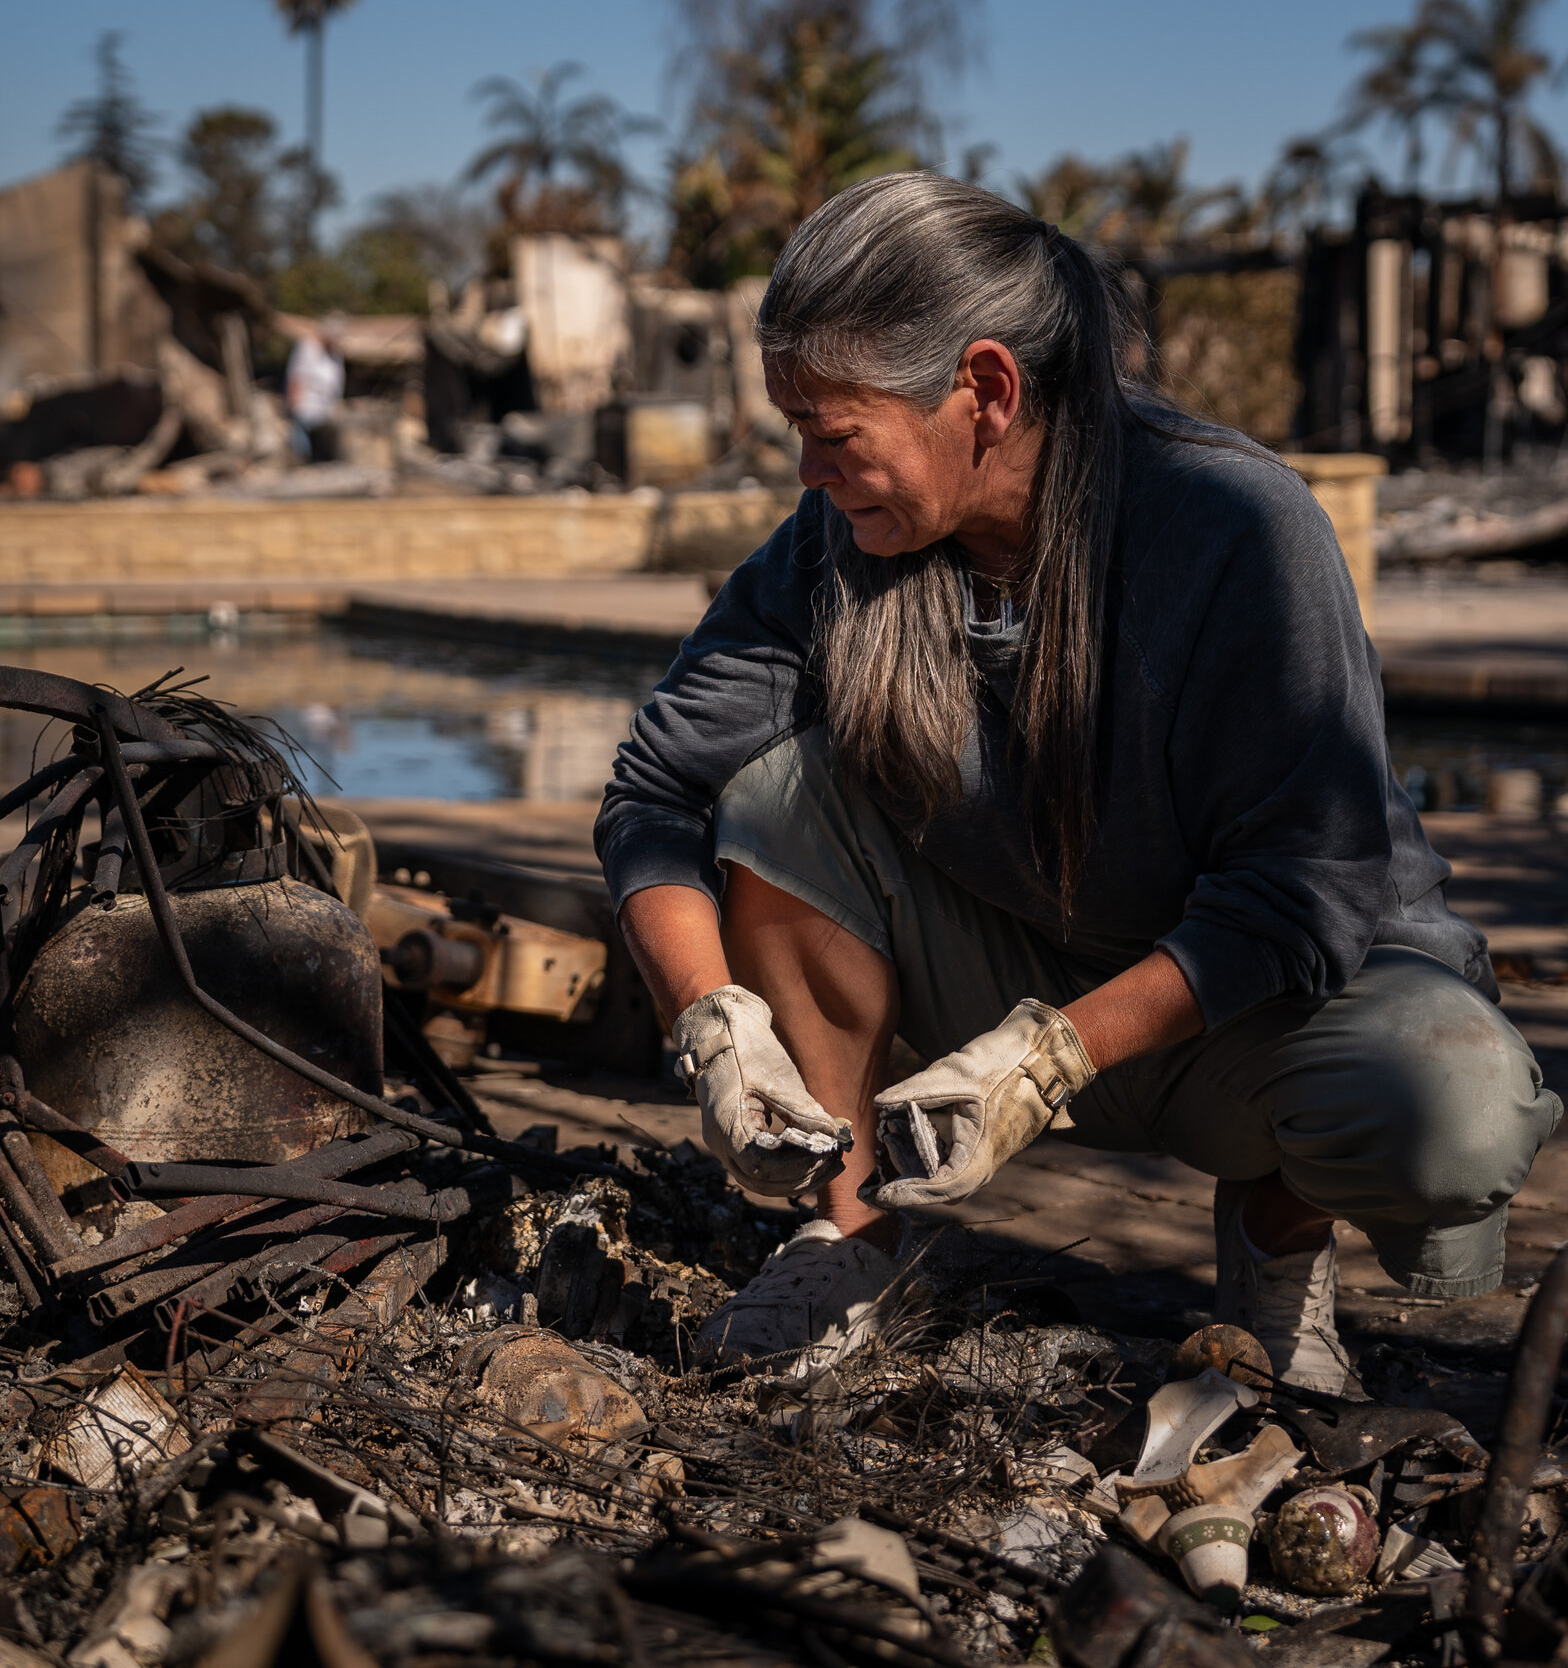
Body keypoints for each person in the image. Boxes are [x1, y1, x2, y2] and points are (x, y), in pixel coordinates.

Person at [595, 172, 1560, 1394]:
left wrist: (1048, 1057)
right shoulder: (834, 545)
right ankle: (847, 1237)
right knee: (771, 795)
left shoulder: (1235, 526)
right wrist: (712, 1025)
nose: (807, 472)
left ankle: (1275, 1250)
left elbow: (1297, 892)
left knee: (1456, 1103)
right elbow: (654, 795)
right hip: (999, 985)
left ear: (986, 392)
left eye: (836, 434)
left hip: (1243, 1016)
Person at [286, 315, 346, 462]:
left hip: (325, 408)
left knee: (322, 451)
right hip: (306, 404)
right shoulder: (307, 347)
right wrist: (293, 403)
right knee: (302, 449)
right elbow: (296, 375)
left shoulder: (335, 354)